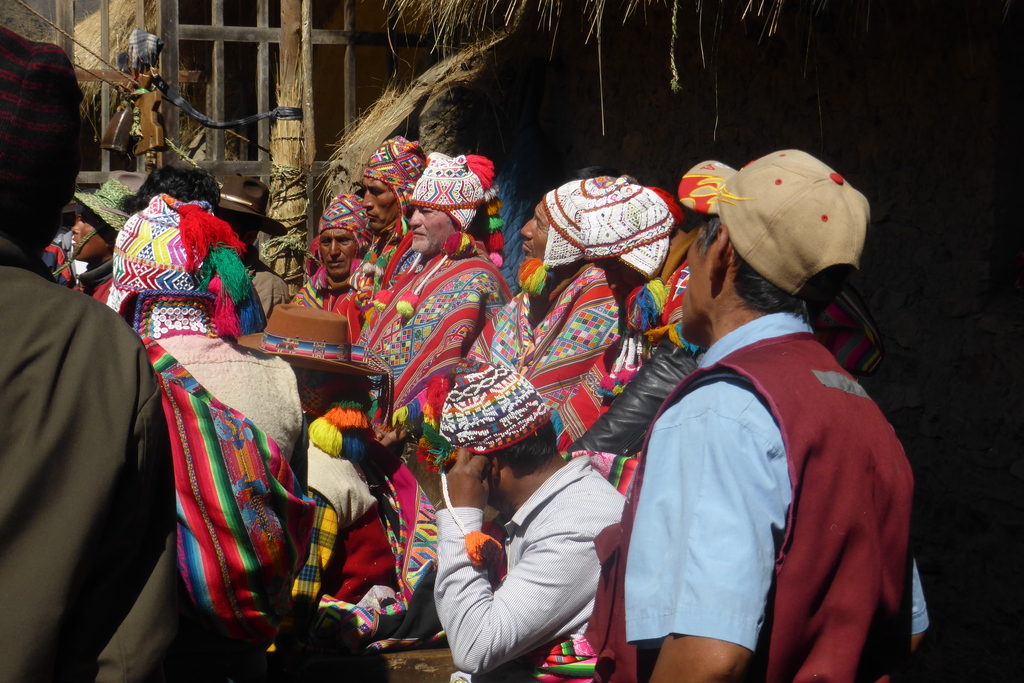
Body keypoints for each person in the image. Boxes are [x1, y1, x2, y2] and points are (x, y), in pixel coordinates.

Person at [588, 150, 928, 683]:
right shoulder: (858, 406)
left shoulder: (720, 410)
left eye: (698, 236)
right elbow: (907, 629)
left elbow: (708, 658)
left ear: (720, 249)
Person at [0, 25, 177, 681]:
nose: (78, 230)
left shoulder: (102, 342)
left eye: (91, 223)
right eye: (75, 217)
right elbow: (125, 645)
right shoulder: (102, 351)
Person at [109, 167, 316, 683]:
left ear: (129, 289)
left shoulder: (121, 376)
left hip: (151, 650)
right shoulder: (281, 380)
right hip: (249, 649)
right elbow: (297, 502)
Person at [240, 305, 442, 665]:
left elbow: (296, 611)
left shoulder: (316, 476)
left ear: (290, 386)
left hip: (331, 653)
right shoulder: (341, 448)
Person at [431, 360, 625, 682]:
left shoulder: (573, 526)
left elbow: (474, 647)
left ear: (488, 468)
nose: (454, 479)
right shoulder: (545, 510)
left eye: (456, 469)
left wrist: (460, 516)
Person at [472, 176, 675, 449]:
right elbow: (473, 366)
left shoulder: (600, 293)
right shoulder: (531, 297)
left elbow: (541, 400)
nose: (524, 230)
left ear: (564, 243)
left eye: (540, 224)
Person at [568, 161, 734, 456]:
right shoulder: (648, 293)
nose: (611, 282)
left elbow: (670, 373)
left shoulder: (690, 285)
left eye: (615, 267)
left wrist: (584, 456)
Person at [360, 153, 511, 412]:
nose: (414, 219)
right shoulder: (418, 269)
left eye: (426, 211)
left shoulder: (479, 279)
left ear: (458, 220)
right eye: (413, 210)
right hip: (375, 412)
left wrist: (412, 418)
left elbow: (484, 367)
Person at [356, 136, 427, 310]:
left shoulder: (419, 254)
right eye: (365, 190)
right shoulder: (381, 245)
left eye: (376, 192)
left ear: (404, 197)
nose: (365, 203)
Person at [292, 194, 373, 337]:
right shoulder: (311, 292)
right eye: (326, 242)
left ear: (361, 245)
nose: (333, 251)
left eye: (343, 240)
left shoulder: (372, 292)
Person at [215, 173, 291, 318]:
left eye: (224, 228)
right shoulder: (193, 270)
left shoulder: (269, 287)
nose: (213, 231)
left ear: (249, 236)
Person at [71, 174, 138, 302]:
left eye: (85, 221)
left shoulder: (116, 296)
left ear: (114, 237)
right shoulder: (91, 286)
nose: (74, 229)